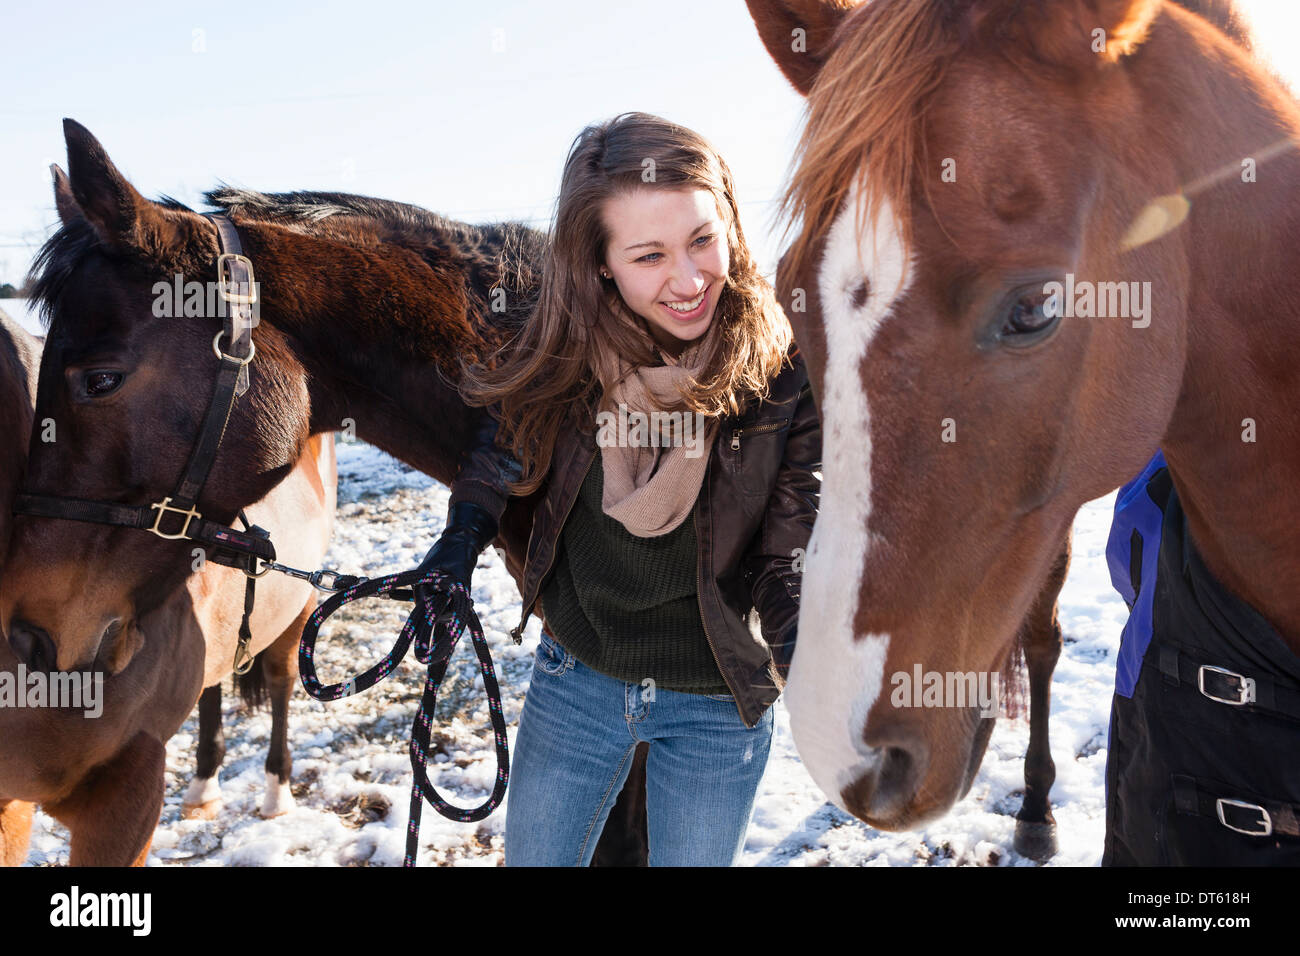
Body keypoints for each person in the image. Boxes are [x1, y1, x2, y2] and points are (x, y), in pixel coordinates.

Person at [416, 111, 821, 866]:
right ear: (600, 263)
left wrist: (802, 651)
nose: (691, 278)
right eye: (649, 255)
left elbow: (786, 547)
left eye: (704, 238)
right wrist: (459, 541)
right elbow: (502, 442)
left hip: (714, 701)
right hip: (578, 682)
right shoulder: (564, 348)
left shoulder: (781, 372)